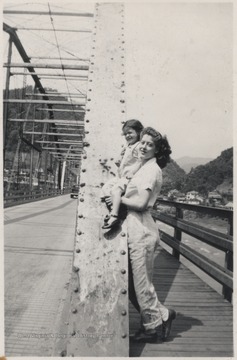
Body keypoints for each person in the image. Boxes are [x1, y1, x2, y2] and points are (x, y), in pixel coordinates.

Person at [105, 126, 176, 342]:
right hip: (134, 228)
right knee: (134, 283)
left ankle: (157, 322)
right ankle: (157, 320)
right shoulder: (142, 167)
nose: (144, 146)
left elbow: (142, 203)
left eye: (150, 144)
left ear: (157, 150)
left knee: (141, 283)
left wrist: (118, 200)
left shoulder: (152, 170)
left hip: (142, 229)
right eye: (143, 142)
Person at [101, 119, 144, 229]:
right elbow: (125, 161)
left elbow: (140, 161)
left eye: (130, 133)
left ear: (139, 132)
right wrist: (119, 161)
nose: (127, 136)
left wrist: (132, 172)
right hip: (120, 176)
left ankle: (114, 215)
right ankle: (114, 209)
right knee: (106, 188)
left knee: (116, 191)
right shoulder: (128, 146)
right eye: (125, 134)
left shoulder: (139, 146)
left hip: (128, 177)